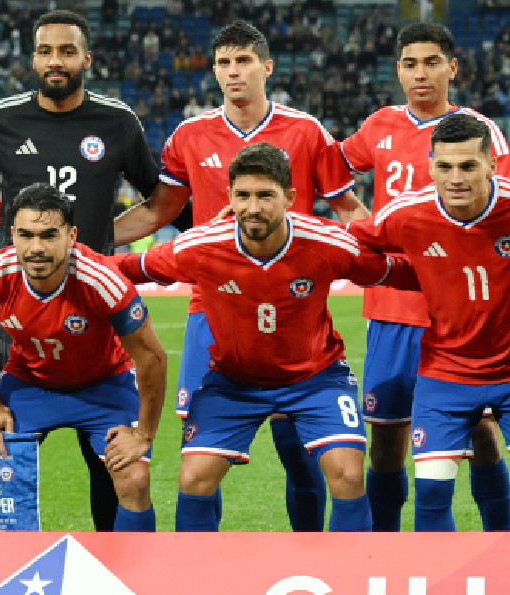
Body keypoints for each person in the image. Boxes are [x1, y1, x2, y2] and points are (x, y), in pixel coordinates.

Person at [112, 19, 370, 533]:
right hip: (213, 306)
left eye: (244, 61)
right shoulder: (190, 135)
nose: (234, 71)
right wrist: (84, 242)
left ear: (266, 67)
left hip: (290, 302)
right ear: (213, 70)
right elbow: (159, 211)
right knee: (201, 464)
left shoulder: (305, 131)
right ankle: (206, 565)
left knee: (301, 453)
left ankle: (312, 556)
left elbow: (349, 210)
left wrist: (401, 254)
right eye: (225, 62)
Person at [0, 10, 163, 532]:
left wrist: (109, 238)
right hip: (17, 310)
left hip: (95, 304)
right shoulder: (3, 120)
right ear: (33, 58)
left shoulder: (118, 122)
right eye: (45, 51)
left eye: (67, 51)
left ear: (86, 59)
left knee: (109, 465)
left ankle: (116, 564)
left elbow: (160, 197)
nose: (56, 61)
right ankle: (5, 564)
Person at [115, 142, 407, 532]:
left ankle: (350, 567)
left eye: (265, 196)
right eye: (243, 196)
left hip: (316, 378)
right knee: (193, 478)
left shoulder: (325, 242)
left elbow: (397, 271)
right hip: (232, 383)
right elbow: (127, 267)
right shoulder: (202, 246)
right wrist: (62, 263)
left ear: (290, 198)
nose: (252, 207)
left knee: (349, 475)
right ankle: (193, 569)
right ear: (229, 197)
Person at [346, 114, 510, 532]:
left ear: (491, 165)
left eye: (468, 166)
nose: (456, 178)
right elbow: (348, 240)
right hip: (446, 373)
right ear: (430, 166)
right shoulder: (408, 213)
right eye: (445, 166)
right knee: (431, 494)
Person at [338, 23, 510, 532]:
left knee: (481, 433)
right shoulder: (380, 125)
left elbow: (504, 210)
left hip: (458, 311)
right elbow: (328, 169)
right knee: (386, 441)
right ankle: (385, 550)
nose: (421, 73)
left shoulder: (479, 132)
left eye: (432, 62)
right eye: (411, 63)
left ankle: (502, 543)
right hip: (392, 308)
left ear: (451, 68)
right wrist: (356, 217)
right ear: (399, 70)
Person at [0, 183, 167, 532]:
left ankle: (135, 566)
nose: (36, 248)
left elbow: (152, 359)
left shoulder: (102, 280)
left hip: (106, 384)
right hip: (29, 383)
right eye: (26, 235)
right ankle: (7, 564)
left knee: (134, 479)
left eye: (49, 235)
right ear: (13, 235)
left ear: (71, 236)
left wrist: (143, 433)